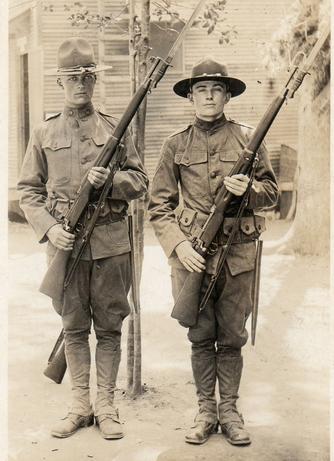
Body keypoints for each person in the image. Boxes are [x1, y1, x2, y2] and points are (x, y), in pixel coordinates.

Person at [17, 37, 148, 440]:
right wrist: (49, 227)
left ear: (95, 81)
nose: (80, 84)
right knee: (74, 327)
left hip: (111, 243)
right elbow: (28, 191)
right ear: (60, 82)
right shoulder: (43, 132)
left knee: (109, 326)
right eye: (72, 77)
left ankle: (106, 406)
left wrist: (110, 181)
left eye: (88, 76)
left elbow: (140, 181)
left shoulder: (115, 128)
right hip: (65, 245)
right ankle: (79, 406)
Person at [148, 57, 279, 446]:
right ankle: (206, 410)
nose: (208, 96)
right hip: (194, 255)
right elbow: (158, 205)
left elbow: (271, 193)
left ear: (226, 96)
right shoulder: (175, 144)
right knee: (200, 335)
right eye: (201, 90)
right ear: (191, 97)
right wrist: (178, 245)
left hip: (238, 255)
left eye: (216, 89)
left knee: (232, 337)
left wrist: (249, 191)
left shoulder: (247, 138)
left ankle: (230, 411)